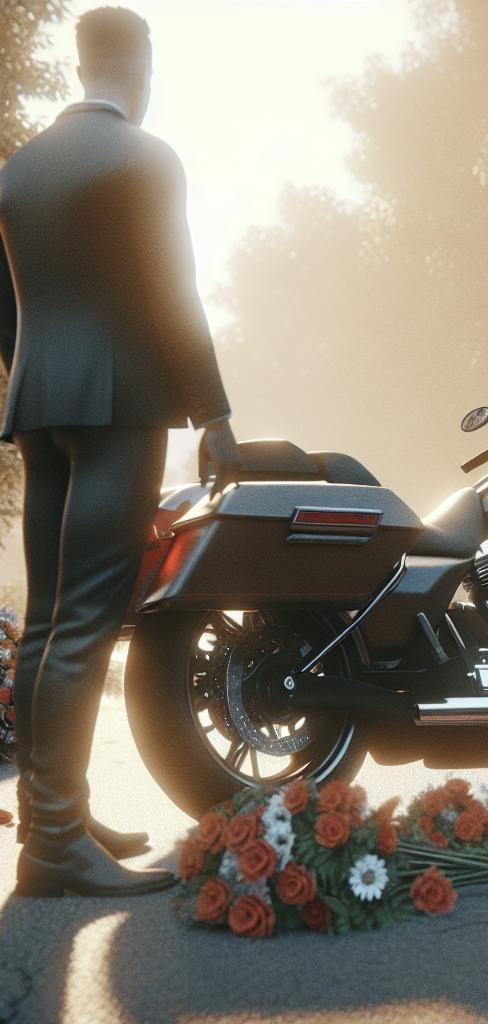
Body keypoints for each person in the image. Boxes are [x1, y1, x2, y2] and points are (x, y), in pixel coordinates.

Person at [0, 6, 241, 897]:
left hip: (39, 402)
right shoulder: (145, 157)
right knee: (90, 621)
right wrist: (212, 414)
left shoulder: (18, 169)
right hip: (122, 404)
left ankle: (54, 814)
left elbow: (4, 305)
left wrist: (37, 381)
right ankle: (55, 849)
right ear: (137, 61)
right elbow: (173, 288)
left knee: (49, 621)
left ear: (79, 63)